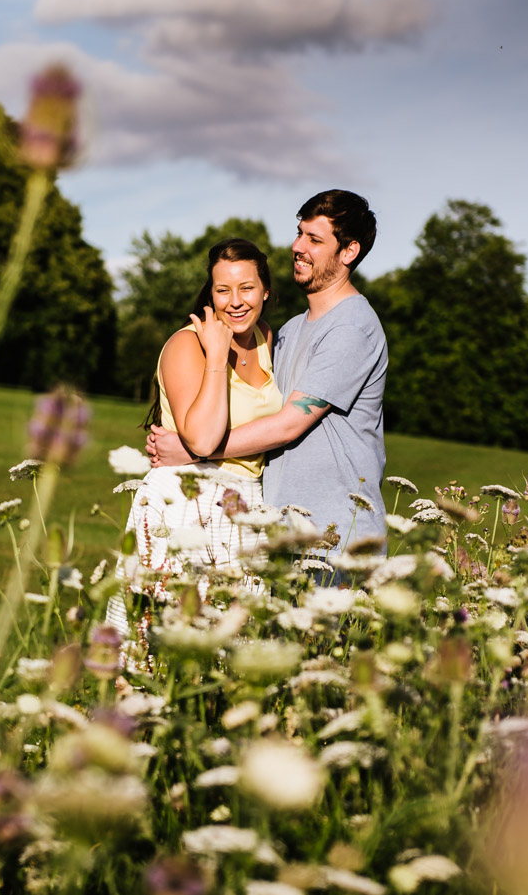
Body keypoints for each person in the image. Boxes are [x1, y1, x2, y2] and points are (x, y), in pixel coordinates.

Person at [147, 189, 387, 558]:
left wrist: (195, 451)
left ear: (349, 252)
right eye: (299, 232)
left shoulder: (351, 328)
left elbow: (287, 425)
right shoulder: (287, 331)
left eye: (314, 239)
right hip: (276, 532)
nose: (297, 246)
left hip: (337, 537)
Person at [108, 238, 283, 647]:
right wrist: (216, 356)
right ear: (211, 293)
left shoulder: (266, 339)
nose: (235, 301)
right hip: (186, 501)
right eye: (223, 290)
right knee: (158, 647)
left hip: (247, 507)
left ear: (265, 292)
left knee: (236, 653)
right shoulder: (188, 344)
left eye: (247, 288)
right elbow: (202, 438)